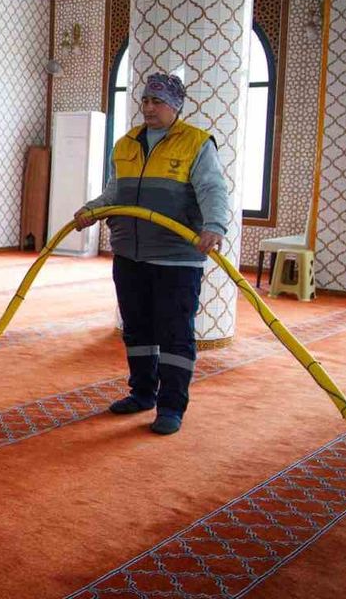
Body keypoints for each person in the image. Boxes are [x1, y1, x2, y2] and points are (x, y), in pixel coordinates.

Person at [74, 72, 229, 435]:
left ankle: (171, 407)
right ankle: (142, 393)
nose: (149, 107)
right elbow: (115, 193)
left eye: (157, 101)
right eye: (145, 100)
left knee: (174, 334)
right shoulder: (126, 144)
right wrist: (91, 209)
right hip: (130, 254)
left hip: (175, 257)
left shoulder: (195, 143)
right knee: (137, 329)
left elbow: (212, 189)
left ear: (176, 106)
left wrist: (214, 225)